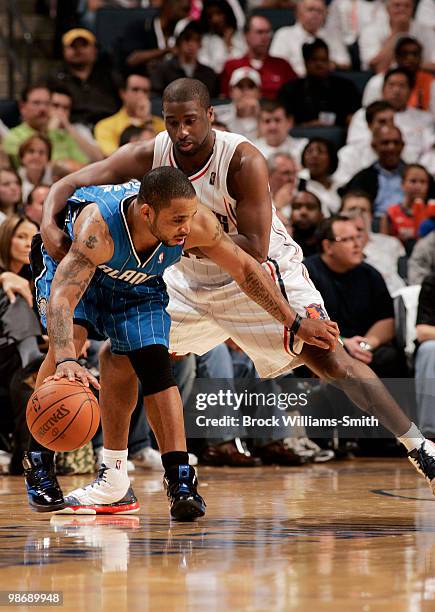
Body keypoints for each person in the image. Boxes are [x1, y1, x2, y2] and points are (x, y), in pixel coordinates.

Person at [39, 78, 435, 505]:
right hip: (189, 274)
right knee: (118, 357)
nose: (182, 132)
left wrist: (191, 236)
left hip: (258, 271)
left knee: (328, 358)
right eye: (173, 123)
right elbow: (71, 183)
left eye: (191, 120)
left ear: (210, 116)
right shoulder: (151, 153)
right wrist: (47, 221)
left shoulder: (242, 159)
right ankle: (115, 476)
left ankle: (420, 447)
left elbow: (254, 250)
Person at [29, 166, 338, 517]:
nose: (186, 228)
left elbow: (247, 270)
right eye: (177, 220)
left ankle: (179, 479)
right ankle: (38, 458)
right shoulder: (97, 229)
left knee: (156, 366)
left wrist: (294, 322)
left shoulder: (195, 224)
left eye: (189, 217)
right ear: (147, 213)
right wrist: (69, 357)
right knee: (65, 347)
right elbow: (63, 300)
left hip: (136, 283)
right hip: (69, 267)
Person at [304, 215, 408, 377]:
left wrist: (367, 343)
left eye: (358, 237)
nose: (357, 244)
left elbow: (387, 319)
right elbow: (305, 323)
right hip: (324, 347)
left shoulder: (370, 274)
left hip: (364, 348)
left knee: (391, 358)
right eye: (347, 239)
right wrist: (343, 343)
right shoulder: (306, 274)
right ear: (328, 246)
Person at [278, 39, 361, 128]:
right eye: (314, 60)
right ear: (305, 62)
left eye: (323, 60)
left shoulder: (346, 87)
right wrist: (309, 126)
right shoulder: (290, 89)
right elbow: (286, 122)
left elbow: (356, 119)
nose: (319, 64)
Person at [47, 28, 121, 127]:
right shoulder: (53, 78)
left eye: (84, 45)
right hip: (70, 128)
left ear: (95, 49)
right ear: (64, 51)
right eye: (73, 46)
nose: (78, 50)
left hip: (109, 127)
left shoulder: (110, 76)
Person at [340, 190, 406, 295]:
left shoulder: (392, 243)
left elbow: (404, 277)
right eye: (352, 209)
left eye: (363, 210)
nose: (358, 214)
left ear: (371, 216)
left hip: (395, 297)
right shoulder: (337, 246)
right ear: (340, 214)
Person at [220, 14, 297, 99]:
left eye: (268, 32)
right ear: (246, 35)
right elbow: (224, 99)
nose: (265, 37)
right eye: (259, 32)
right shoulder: (231, 66)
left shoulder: (283, 65)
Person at [270, 0, 350, 76]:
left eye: (319, 11)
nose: (315, 14)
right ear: (298, 13)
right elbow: (276, 64)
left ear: (325, 15)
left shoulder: (333, 36)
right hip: (294, 83)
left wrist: (333, 65)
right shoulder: (284, 34)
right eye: (310, 10)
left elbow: (345, 62)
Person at [94, 74, 165, 157]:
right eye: (135, 89)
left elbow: (163, 155)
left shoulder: (161, 124)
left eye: (145, 91)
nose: (140, 95)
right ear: (123, 93)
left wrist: (147, 120)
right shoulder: (105, 126)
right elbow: (111, 157)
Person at [362, 37, 435, 116]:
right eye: (404, 53)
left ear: (421, 58)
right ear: (396, 57)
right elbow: (368, 114)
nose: (410, 58)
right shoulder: (378, 81)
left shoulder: (431, 81)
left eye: (415, 54)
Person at [358, 0, 435, 73]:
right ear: (387, 9)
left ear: (413, 9)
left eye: (407, 6)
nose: (402, 9)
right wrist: (397, 32)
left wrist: (406, 64)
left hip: (421, 77)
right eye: (397, 5)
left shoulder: (426, 31)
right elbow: (377, 67)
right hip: (382, 79)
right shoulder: (370, 30)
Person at [150, 22, 219, 98]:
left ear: (200, 44)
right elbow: (156, 98)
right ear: (179, 42)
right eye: (187, 39)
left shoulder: (208, 73)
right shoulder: (163, 70)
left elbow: (213, 100)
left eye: (196, 40)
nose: (191, 44)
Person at [381, 164, 431, 251]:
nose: (418, 186)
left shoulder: (432, 213)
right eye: (413, 181)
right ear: (402, 184)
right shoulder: (390, 213)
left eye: (423, 182)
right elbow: (383, 246)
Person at [299, 138, 341, 216]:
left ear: (331, 157)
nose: (314, 156)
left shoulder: (341, 187)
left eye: (320, 151)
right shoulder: (298, 186)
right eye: (309, 151)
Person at [290, 190, 323, 257]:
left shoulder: (326, 246)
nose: (303, 212)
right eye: (297, 207)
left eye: (310, 207)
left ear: (321, 215)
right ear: (290, 214)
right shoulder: (282, 244)